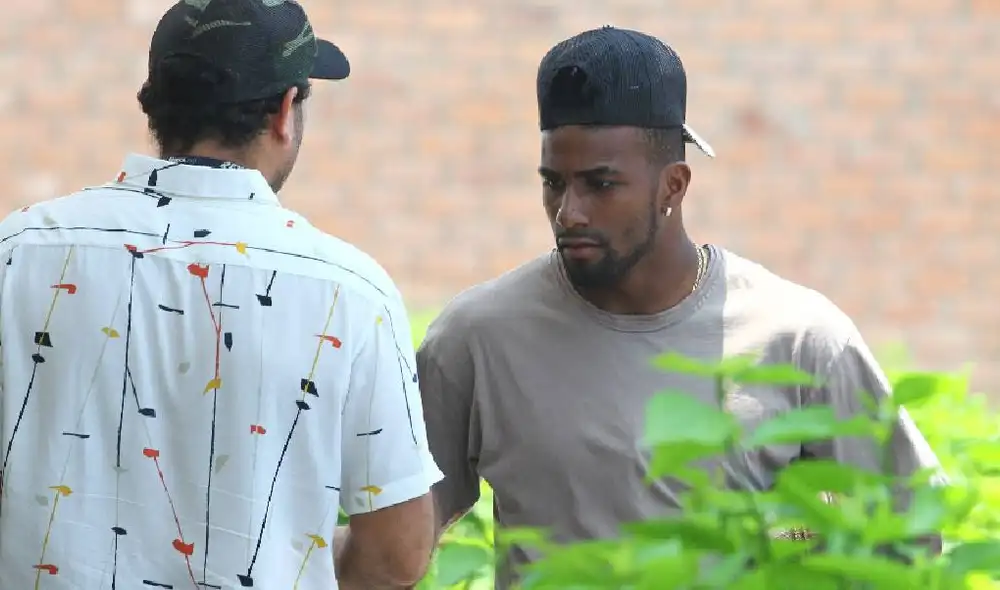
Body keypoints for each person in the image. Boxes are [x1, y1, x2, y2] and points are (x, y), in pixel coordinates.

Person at [417, 26, 943, 588]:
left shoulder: (799, 338)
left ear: (673, 185)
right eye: (554, 183)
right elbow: (393, 541)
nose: (569, 212)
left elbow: (909, 525)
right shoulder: (478, 337)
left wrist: (776, 541)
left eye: (600, 184)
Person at [0, 1, 441, 588]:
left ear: (156, 107)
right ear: (285, 111)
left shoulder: (17, 252)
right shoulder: (350, 292)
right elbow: (396, 556)